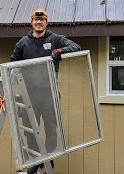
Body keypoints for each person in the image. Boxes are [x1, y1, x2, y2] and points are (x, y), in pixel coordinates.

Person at [9, 9, 81, 174]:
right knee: (31, 130)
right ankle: (36, 161)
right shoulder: (22, 43)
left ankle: (48, 160)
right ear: (31, 22)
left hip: (49, 94)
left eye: (42, 20)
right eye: (36, 20)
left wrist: (60, 52)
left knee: (51, 129)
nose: (39, 22)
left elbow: (75, 47)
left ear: (46, 22)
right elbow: (12, 64)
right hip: (29, 95)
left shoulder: (55, 39)